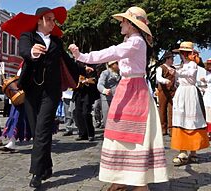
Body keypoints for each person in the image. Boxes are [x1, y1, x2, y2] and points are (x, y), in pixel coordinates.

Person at [69, 6, 168, 191]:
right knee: (120, 133)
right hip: (128, 88)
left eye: (123, 20)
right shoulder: (133, 41)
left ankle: (140, 183)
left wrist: (82, 56)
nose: (120, 23)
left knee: (134, 135)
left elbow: (111, 52)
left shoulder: (136, 42)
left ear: (131, 24)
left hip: (134, 90)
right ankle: (122, 179)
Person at [10, 6, 90, 188]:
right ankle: (47, 167)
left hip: (51, 93)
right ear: (39, 20)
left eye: (54, 20)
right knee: (37, 131)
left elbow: (68, 62)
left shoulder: (56, 41)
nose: (53, 23)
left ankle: (37, 173)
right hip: (31, 91)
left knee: (42, 130)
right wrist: (32, 52)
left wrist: (83, 68)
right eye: (49, 19)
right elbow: (23, 50)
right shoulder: (28, 36)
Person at [171, 41, 209, 165]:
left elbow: (191, 73)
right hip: (182, 92)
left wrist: (177, 72)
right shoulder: (183, 65)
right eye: (182, 52)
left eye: (185, 52)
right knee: (180, 120)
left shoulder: (192, 64)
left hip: (190, 93)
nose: (183, 55)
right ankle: (183, 150)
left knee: (191, 120)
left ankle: (193, 150)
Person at [72, 68, 99, 141]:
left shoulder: (91, 68)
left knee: (86, 113)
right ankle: (82, 133)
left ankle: (90, 134)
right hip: (78, 93)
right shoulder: (76, 68)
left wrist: (85, 81)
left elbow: (94, 80)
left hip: (88, 94)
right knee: (78, 113)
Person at [156, 51, 176, 136]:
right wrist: (165, 81)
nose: (173, 60)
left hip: (172, 91)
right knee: (162, 109)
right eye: (171, 58)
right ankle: (163, 128)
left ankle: (171, 129)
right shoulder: (161, 68)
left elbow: (176, 80)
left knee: (172, 110)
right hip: (163, 91)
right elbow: (159, 77)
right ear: (167, 59)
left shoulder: (174, 69)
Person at [97, 61, 121, 129]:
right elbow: (100, 84)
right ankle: (108, 132)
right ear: (112, 65)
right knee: (107, 117)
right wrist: (104, 90)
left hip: (118, 98)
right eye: (117, 64)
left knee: (118, 117)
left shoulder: (120, 73)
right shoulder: (105, 73)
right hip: (107, 98)